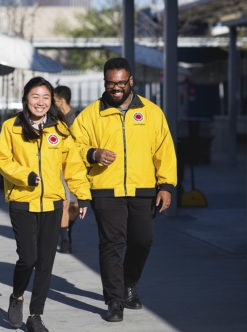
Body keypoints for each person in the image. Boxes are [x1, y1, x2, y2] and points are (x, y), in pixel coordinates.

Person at [71, 57, 177, 322]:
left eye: (120, 83)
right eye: (110, 83)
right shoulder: (90, 115)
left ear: (131, 81)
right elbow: (72, 150)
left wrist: (165, 185)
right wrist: (93, 153)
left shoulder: (152, 113)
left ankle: (129, 283)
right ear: (104, 82)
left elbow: (164, 150)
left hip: (143, 189)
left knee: (143, 241)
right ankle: (114, 300)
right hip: (106, 189)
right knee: (112, 244)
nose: (116, 88)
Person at [0, 77, 91, 332]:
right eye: (36, 96)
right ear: (26, 98)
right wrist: (24, 175)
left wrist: (81, 194)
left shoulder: (59, 129)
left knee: (46, 261)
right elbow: (0, 159)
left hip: (52, 202)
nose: (41, 102)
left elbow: (74, 165)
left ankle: (36, 315)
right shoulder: (10, 127)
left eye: (46, 97)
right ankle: (17, 296)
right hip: (22, 200)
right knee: (28, 258)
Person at [53, 85, 79, 254]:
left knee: (75, 206)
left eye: (54, 100)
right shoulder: (53, 117)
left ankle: (67, 229)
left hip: (75, 166)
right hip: (59, 165)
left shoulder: (76, 118)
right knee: (65, 203)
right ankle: (65, 240)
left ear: (62, 101)